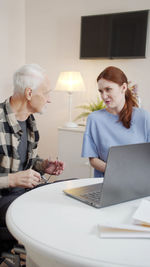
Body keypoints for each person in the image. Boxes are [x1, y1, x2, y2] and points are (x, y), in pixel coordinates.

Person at [0, 63, 64, 229]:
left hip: (25, 194)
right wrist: (13, 179)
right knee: (50, 211)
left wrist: (42, 165)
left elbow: (24, 162)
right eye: (46, 93)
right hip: (4, 200)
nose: (49, 99)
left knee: (69, 193)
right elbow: (15, 175)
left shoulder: (30, 122)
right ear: (29, 93)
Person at [82, 66, 150, 177]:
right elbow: (93, 159)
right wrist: (116, 172)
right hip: (106, 182)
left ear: (123, 88)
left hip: (139, 181)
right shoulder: (94, 119)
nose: (104, 96)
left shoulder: (144, 117)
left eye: (108, 89)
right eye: (101, 91)